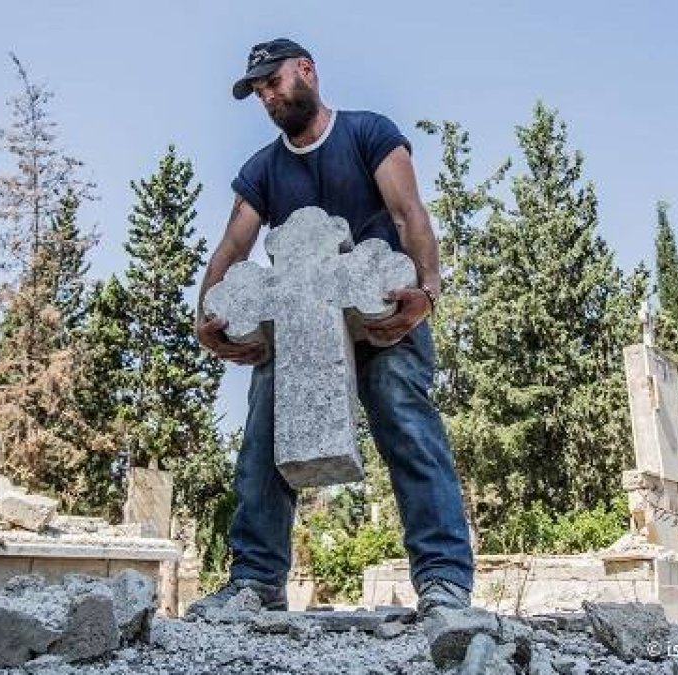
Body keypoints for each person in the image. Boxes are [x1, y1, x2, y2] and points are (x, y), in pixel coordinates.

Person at [190, 38, 473, 616]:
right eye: (259, 90)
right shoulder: (263, 169)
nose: (269, 95)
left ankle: (444, 581)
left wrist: (428, 291)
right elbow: (233, 245)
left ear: (307, 72)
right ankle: (256, 581)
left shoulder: (368, 132)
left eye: (275, 81)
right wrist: (205, 316)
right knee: (262, 438)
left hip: (382, 309)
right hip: (297, 323)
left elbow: (408, 213)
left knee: (405, 421)